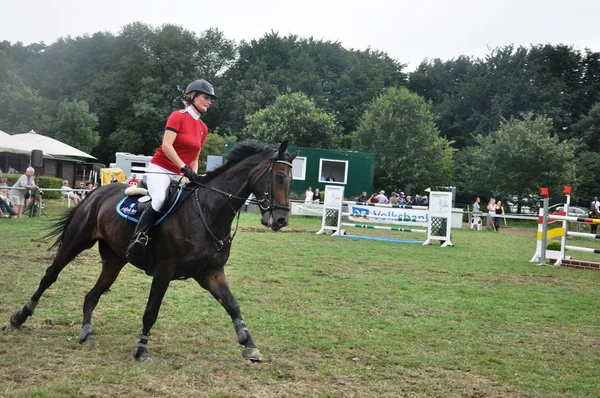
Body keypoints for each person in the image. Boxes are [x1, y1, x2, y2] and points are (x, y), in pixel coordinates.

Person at [126, 79, 216, 263]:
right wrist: (184, 167)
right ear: (192, 97)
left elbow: (195, 157)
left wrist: (194, 175)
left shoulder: (203, 128)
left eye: (210, 99)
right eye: (206, 97)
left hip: (180, 173)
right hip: (160, 169)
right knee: (160, 198)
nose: (209, 102)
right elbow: (167, 146)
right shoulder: (178, 116)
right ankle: (138, 237)